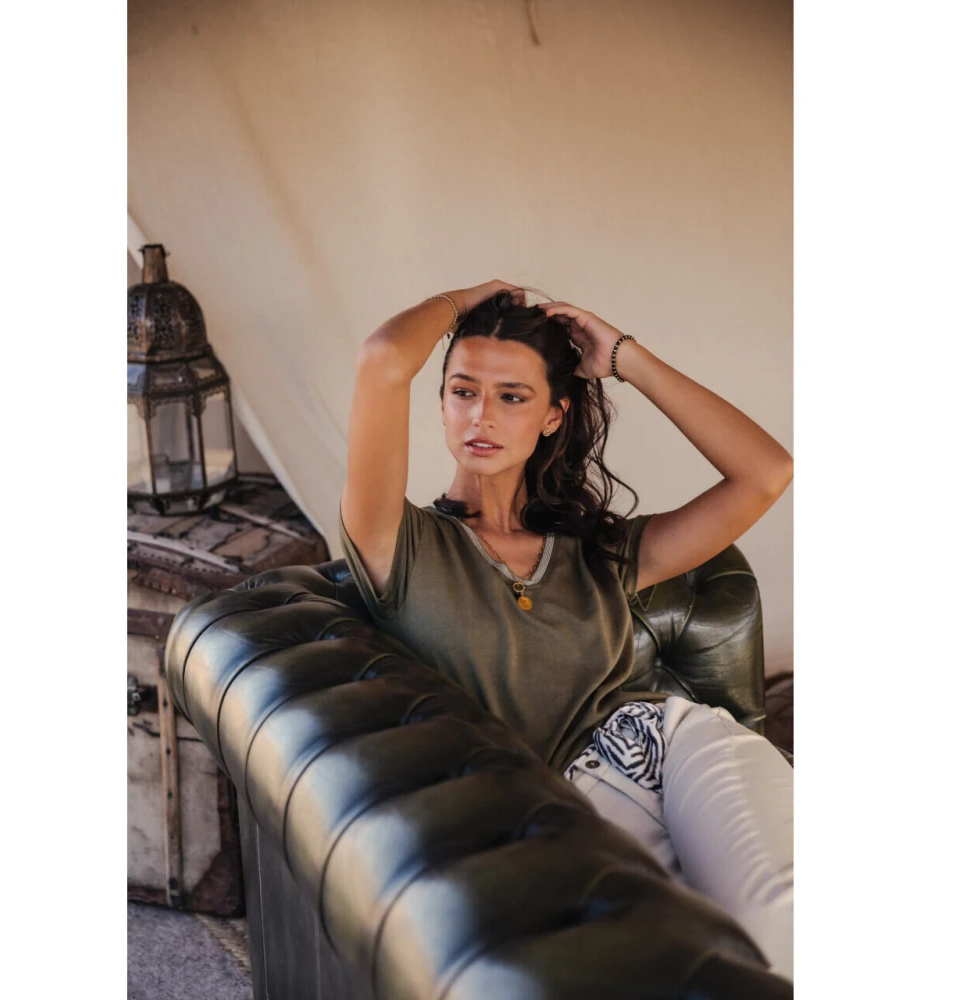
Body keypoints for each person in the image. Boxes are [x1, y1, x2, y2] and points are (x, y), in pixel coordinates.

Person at [337, 280, 795, 979]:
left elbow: (766, 473)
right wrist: (468, 300)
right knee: (703, 965)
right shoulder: (399, 545)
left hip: (677, 750)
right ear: (441, 404)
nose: (480, 414)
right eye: (463, 391)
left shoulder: (597, 552)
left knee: (781, 923)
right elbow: (382, 359)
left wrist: (625, 357)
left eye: (512, 396)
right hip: (566, 813)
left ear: (554, 416)